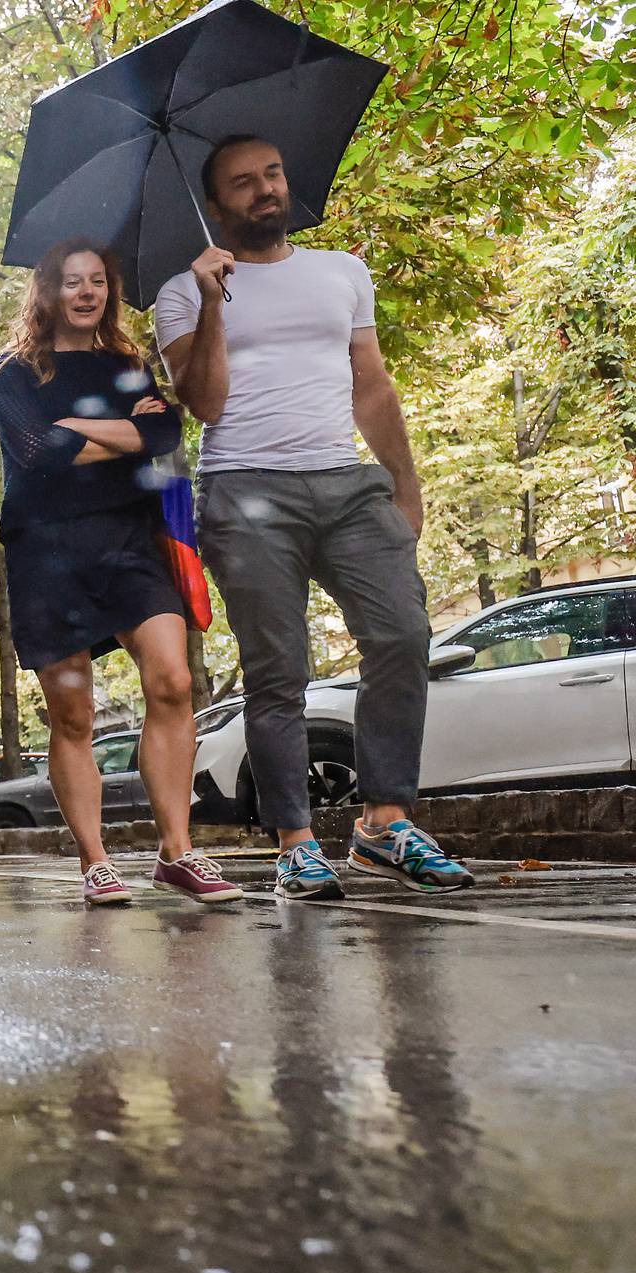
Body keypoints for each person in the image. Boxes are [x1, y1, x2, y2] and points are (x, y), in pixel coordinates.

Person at [155, 134, 475, 899]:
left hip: (347, 483)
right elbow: (204, 403)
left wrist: (405, 481)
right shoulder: (181, 291)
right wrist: (209, 302)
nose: (265, 189)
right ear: (215, 206)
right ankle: (295, 843)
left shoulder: (343, 272)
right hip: (244, 491)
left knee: (403, 634)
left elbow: (372, 384)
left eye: (272, 172)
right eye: (243, 182)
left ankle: (384, 824)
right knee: (278, 675)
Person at [0, 237, 243, 908]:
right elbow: (36, 453)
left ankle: (178, 851)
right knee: (72, 715)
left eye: (96, 280)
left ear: (109, 290)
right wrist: (116, 434)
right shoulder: (13, 370)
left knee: (173, 678)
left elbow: (164, 437)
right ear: (46, 292)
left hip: (130, 542)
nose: (85, 292)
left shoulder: (128, 365)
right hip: (46, 552)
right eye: (71, 281)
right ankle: (96, 860)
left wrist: (78, 429)